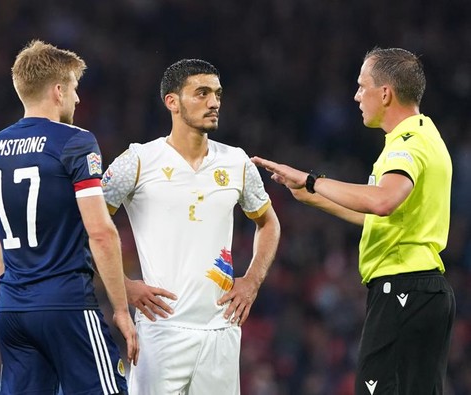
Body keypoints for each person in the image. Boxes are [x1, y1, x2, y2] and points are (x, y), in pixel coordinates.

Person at [252, 47, 455, 394]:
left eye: (363, 86)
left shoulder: (407, 144)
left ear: (386, 93)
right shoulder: (426, 136)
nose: (357, 95)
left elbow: (383, 201)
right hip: (423, 290)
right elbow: (379, 215)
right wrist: (314, 196)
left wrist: (313, 179)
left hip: (402, 287)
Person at [101, 59, 281, 394]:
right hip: (161, 330)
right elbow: (89, 228)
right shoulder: (138, 161)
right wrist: (123, 286)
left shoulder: (237, 161)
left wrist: (253, 280)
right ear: (172, 102)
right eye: (202, 93)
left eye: (217, 94)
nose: (214, 103)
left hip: (221, 331)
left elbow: (268, 223)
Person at [0, 40, 138, 395]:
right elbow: (101, 234)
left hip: (13, 312)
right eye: (75, 90)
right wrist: (122, 309)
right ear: (59, 90)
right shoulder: (74, 142)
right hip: (67, 305)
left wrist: (13, 296)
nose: (78, 100)